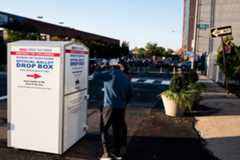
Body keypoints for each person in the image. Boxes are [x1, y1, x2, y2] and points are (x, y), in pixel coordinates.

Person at [92, 63, 132, 160]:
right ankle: (117, 153)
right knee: (117, 130)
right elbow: (130, 94)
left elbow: (94, 75)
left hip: (109, 107)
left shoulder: (109, 73)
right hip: (121, 108)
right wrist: (123, 103)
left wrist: (99, 68)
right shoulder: (126, 77)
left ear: (111, 67)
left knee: (104, 129)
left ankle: (106, 154)